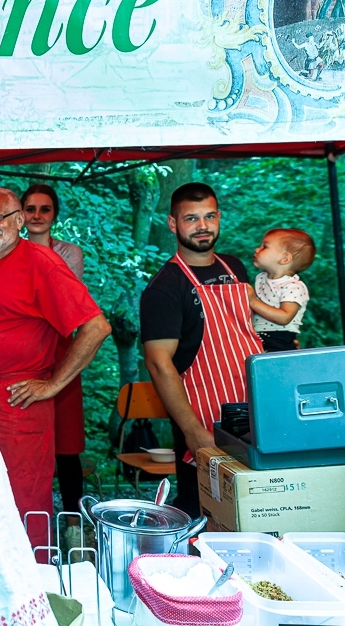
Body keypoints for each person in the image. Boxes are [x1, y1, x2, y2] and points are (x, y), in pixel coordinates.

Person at [0, 188, 111, 548]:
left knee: (23, 501)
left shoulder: (42, 262)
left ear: (19, 221)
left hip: (18, 404)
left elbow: (96, 327)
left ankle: (33, 576)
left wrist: (53, 384)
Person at [141, 183, 263, 516]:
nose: (202, 226)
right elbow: (158, 364)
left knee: (259, 510)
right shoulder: (165, 287)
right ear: (172, 224)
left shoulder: (234, 268)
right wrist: (193, 431)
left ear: (219, 217)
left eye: (209, 216)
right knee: (205, 515)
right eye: (191, 218)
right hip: (204, 420)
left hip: (254, 411)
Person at [21, 183, 86, 549]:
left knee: (67, 444)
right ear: (20, 215)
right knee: (29, 444)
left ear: (54, 215)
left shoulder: (69, 253)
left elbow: (64, 304)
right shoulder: (9, 253)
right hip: (24, 352)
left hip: (61, 350)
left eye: (44, 209)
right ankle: (30, 522)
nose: (37, 215)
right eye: (30, 209)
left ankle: (74, 526)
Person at [248, 228, 315, 352]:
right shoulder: (261, 278)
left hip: (279, 338)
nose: (257, 249)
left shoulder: (293, 287)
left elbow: (284, 317)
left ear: (285, 258)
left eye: (264, 247)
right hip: (257, 335)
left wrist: (253, 301)